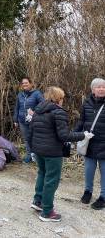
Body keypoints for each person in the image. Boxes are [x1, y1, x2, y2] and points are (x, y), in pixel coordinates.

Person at [29, 86, 91, 222]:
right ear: (58, 99)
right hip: (52, 153)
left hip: (39, 150)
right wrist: (83, 135)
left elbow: (31, 132)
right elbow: (64, 135)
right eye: (62, 98)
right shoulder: (58, 112)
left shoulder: (38, 111)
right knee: (51, 180)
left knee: (42, 174)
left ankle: (37, 201)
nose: (63, 100)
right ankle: (47, 212)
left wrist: (32, 149)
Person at [74, 78, 105, 210]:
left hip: (104, 144)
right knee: (88, 170)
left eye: (103, 87)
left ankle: (103, 197)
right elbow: (81, 121)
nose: (102, 89)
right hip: (90, 143)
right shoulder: (86, 103)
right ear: (92, 90)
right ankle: (88, 192)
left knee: (104, 172)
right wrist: (74, 135)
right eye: (99, 87)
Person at [13, 77, 44, 163]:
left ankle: (37, 156)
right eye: (23, 83)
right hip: (22, 120)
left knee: (35, 138)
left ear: (30, 84)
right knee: (26, 138)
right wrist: (15, 120)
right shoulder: (20, 95)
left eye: (26, 83)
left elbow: (43, 104)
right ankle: (29, 155)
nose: (24, 84)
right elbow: (17, 107)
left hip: (34, 121)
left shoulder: (36, 93)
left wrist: (35, 112)